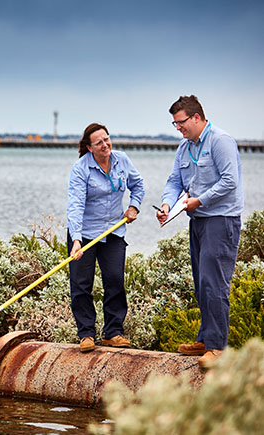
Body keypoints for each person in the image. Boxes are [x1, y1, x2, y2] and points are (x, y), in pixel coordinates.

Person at [156, 95, 243, 368]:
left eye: (180, 123)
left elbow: (230, 181)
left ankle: (218, 347)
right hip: (198, 222)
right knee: (201, 282)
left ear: (196, 117)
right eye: (174, 124)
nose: (178, 129)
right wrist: (168, 204)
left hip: (221, 219)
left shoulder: (220, 141)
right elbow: (174, 181)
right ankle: (205, 339)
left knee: (214, 282)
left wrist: (200, 200)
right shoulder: (184, 148)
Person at [67, 123, 144, 352]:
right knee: (81, 285)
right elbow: (75, 205)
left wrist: (134, 206)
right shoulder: (81, 169)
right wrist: (76, 240)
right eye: (99, 142)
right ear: (90, 148)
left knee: (115, 280)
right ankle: (86, 334)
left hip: (113, 231)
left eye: (107, 139)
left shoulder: (122, 159)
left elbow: (138, 185)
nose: (105, 144)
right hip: (85, 233)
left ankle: (113, 332)